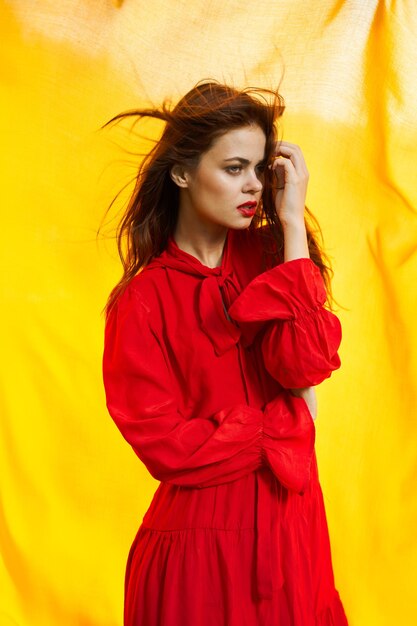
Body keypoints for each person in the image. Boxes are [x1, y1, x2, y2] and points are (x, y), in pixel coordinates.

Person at [101, 79, 349, 626]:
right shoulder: (141, 301)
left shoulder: (273, 258)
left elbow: (306, 364)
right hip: (199, 550)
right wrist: (281, 427)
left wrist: (290, 226)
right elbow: (166, 445)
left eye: (261, 169)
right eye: (234, 168)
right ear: (183, 173)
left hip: (294, 533)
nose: (253, 186)